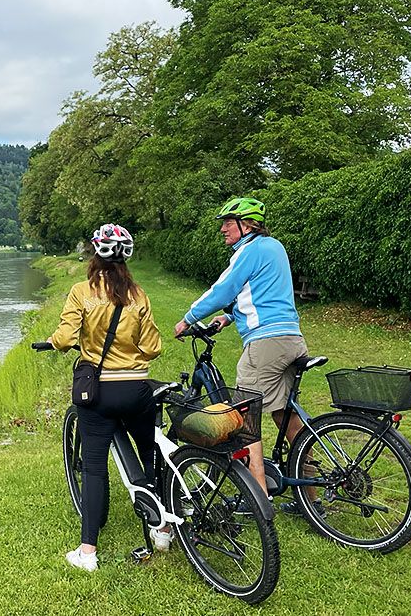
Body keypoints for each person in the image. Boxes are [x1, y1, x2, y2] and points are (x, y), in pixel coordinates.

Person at [173, 198, 308, 510]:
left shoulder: (249, 250)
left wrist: (187, 319)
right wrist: (228, 317)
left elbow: (223, 289)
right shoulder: (274, 247)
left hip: (266, 345)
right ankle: (310, 500)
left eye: (228, 222)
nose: (222, 229)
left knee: (246, 418)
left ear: (246, 224)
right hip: (291, 338)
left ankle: (257, 501)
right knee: (284, 416)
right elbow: (262, 292)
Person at [48, 223, 164, 571]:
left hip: (98, 391)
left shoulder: (81, 291)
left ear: (95, 254)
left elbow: (66, 338)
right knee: (150, 453)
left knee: (95, 469)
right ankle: (162, 530)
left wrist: (54, 341)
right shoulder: (138, 295)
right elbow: (153, 347)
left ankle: (87, 553)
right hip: (137, 388)